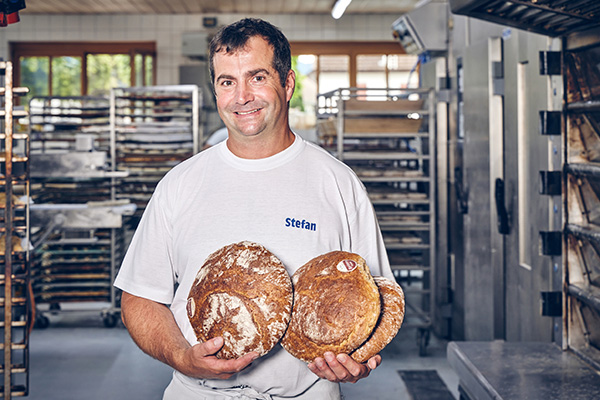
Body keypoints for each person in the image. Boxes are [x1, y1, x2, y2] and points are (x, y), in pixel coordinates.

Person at [115, 18, 394, 400]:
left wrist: (360, 359)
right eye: (227, 82)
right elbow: (139, 296)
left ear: (288, 84)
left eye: (257, 77)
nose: (241, 96)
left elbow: (379, 296)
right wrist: (181, 355)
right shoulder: (179, 184)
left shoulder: (337, 183)